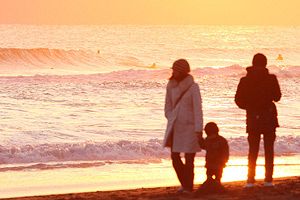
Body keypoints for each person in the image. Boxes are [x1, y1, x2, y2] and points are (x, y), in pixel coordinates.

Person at [235, 53, 281, 187]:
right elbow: (277, 97)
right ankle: (268, 180)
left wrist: (250, 107)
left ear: (253, 63)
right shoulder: (271, 79)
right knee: (269, 149)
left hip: (253, 117)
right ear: (265, 64)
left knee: (253, 150)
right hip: (269, 116)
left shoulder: (245, 80)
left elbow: (238, 100)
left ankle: (250, 180)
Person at [163, 59, 203, 193]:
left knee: (189, 158)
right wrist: (171, 116)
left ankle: (188, 186)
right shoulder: (171, 85)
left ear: (182, 71)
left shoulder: (193, 87)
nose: (173, 72)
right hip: (175, 127)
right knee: (175, 157)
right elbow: (167, 106)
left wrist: (198, 129)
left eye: (175, 70)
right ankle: (185, 183)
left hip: (190, 128)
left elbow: (198, 109)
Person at [197, 122, 229, 194]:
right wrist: (199, 138)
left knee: (217, 178)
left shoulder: (221, 141)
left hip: (218, 164)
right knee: (209, 177)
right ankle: (212, 188)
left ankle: (217, 189)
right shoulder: (208, 140)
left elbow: (225, 153)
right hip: (210, 164)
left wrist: (224, 161)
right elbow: (203, 146)